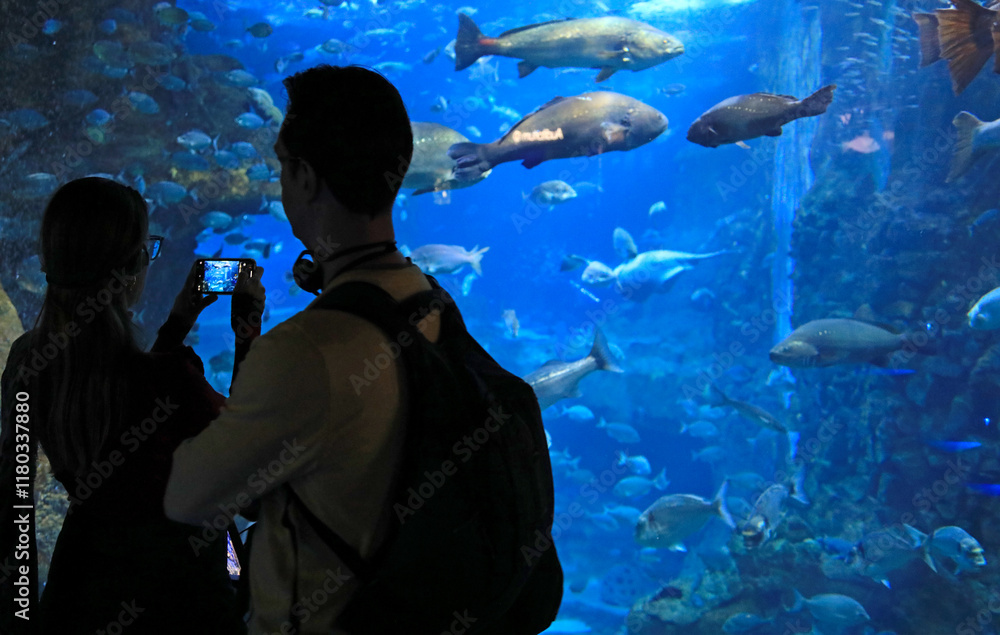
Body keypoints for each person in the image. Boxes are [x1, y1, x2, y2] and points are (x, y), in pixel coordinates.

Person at [163, 65, 489, 633]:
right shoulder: (435, 303)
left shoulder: (305, 351)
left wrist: (221, 344)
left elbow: (188, 499)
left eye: (282, 164)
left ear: (306, 178)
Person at [0, 177, 260, 634]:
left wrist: (21, 614)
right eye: (147, 249)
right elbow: (247, 479)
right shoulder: (169, 378)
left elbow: (16, 497)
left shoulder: (27, 362)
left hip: (79, 587)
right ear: (132, 265)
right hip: (180, 600)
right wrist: (246, 342)